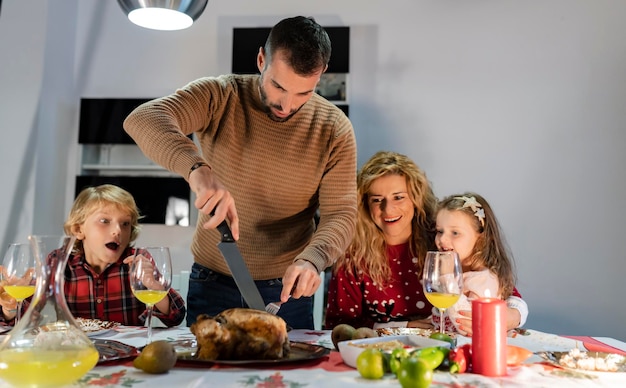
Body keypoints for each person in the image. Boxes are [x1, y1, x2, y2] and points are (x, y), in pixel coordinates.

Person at [123, 16, 357, 329]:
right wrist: (198, 170)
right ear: (262, 59)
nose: (287, 105)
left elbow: (340, 214)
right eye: (278, 86)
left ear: (321, 75)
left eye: (303, 93)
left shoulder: (335, 128)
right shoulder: (220, 96)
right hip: (211, 282)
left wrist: (312, 259)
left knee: (283, 379)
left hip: (287, 291)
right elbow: (142, 119)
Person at [324, 151, 527, 333]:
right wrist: (403, 328)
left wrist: (511, 317)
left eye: (398, 197)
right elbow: (338, 326)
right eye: (377, 200)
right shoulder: (353, 256)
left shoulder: (441, 238)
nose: (387, 209)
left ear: (416, 198)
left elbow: (503, 290)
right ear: (365, 205)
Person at [0, 184, 187, 326]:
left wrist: (154, 286)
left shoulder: (137, 263)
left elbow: (176, 316)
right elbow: (21, 318)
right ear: (78, 230)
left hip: (126, 353)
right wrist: (11, 304)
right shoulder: (59, 263)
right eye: (105, 221)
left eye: (125, 224)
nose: (117, 231)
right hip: (74, 351)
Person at [433, 192, 528, 335]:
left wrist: (447, 278)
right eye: (440, 231)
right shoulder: (456, 270)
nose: (442, 239)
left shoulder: (484, 279)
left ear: (481, 238)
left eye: (455, 233)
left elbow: (464, 325)